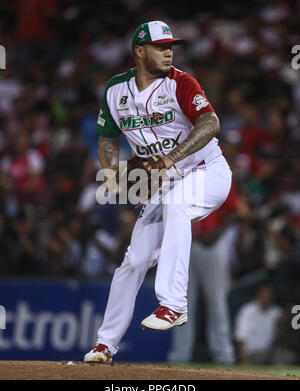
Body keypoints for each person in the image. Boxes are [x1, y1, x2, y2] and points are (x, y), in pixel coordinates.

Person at [84, 21, 232, 363]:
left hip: (206, 171)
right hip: (164, 186)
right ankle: (105, 345)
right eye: (160, 46)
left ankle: (173, 305)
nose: (169, 51)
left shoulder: (181, 82)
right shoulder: (115, 90)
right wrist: (111, 170)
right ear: (139, 52)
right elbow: (107, 138)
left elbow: (211, 123)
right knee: (133, 261)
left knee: (178, 206)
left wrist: (170, 157)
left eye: (171, 46)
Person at [168, 181, 242, 365]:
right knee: (181, 302)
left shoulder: (218, 170)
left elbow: (234, 210)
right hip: (185, 243)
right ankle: (180, 356)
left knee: (216, 301)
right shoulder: (183, 173)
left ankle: (224, 356)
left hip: (212, 244)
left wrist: (217, 232)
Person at [234, 284, 283, 365]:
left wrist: (282, 324)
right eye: (264, 294)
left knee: (285, 357)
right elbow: (241, 337)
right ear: (258, 295)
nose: (266, 297)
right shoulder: (248, 310)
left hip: (270, 353)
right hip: (252, 354)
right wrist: (243, 357)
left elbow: (283, 335)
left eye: (268, 295)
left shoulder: (276, 312)